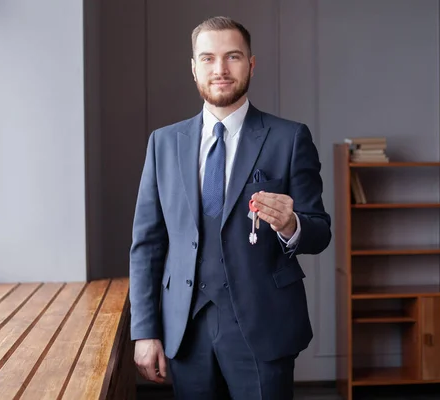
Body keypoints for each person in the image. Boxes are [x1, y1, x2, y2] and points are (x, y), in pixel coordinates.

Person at [129, 16, 331, 399]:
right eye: (207, 58)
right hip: (186, 330)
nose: (220, 69)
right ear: (194, 68)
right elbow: (147, 245)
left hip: (264, 325)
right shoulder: (163, 144)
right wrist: (145, 330)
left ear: (251, 64)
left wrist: (291, 224)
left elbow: (319, 231)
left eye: (232, 57)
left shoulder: (289, 139)